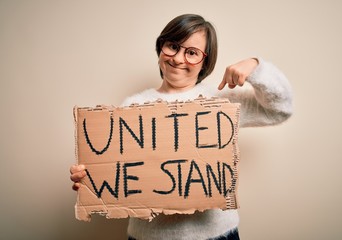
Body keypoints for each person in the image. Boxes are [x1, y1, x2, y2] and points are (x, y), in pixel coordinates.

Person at [70, 14, 293, 240]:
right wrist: (91, 178)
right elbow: (118, 174)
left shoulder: (221, 102)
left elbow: (280, 109)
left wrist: (255, 67)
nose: (178, 58)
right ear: (161, 48)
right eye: (173, 46)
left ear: (205, 62)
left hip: (217, 235)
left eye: (192, 53)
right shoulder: (132, 106)